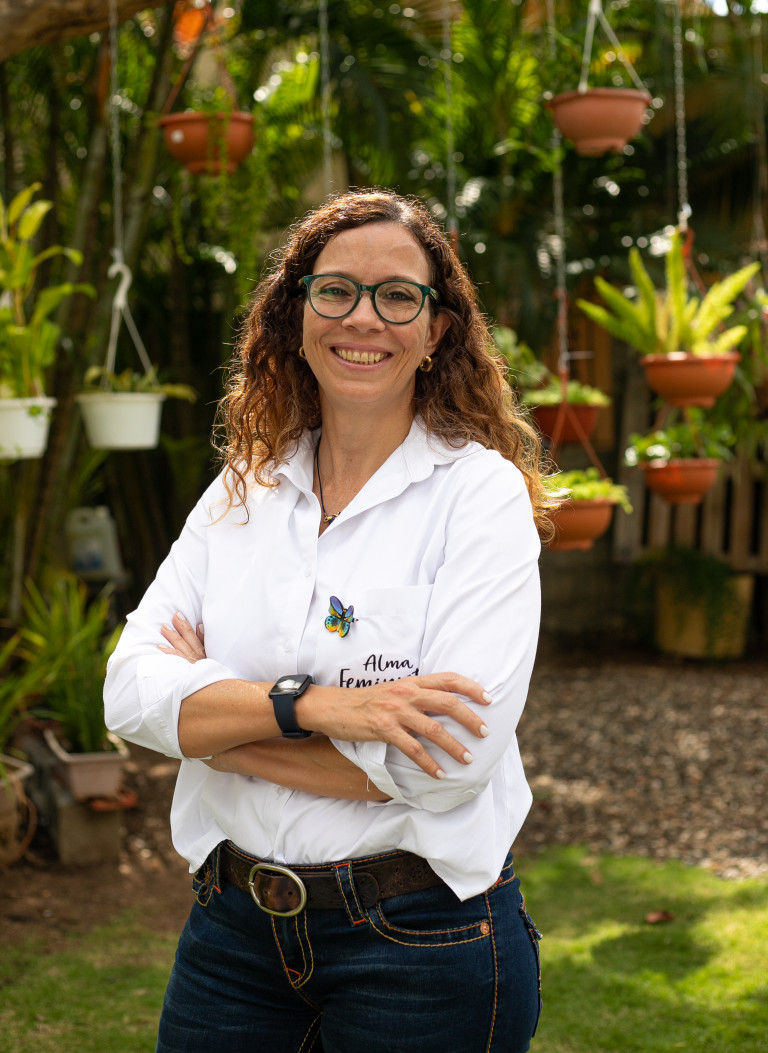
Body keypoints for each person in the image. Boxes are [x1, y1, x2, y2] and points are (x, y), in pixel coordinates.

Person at [104, 187, 554, 1053]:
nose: (363, 318)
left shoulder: (479, 497)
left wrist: (212, 732)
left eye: (398, 296)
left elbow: (447, 767)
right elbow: (127, 693)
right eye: (336, 290)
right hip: (233, 934)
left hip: (419, 942)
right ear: (298, 312)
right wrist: (318, 708)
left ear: (437, 331)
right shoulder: (244, 487)